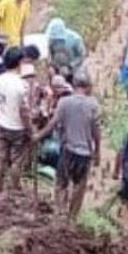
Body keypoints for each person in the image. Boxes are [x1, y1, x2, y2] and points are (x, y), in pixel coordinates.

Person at [34, 73, 101, 220]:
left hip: (68, 150)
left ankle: (59, 212)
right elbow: (96, 131)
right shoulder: (93, 105)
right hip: (84, 153)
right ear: (88, 87)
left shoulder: (64, 102)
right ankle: (72, 218)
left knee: (61, 183)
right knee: (79, 187)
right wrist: (97, 152)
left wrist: (37, 136)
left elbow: (52, 124)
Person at [0, 47, 32, 193]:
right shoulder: (21, 85)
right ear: (19, 62)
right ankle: (14, 187)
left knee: (0, 158)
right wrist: (29, 129)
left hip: (3, 125)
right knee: (17, 160)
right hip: (18, 128)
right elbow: (24, 111)